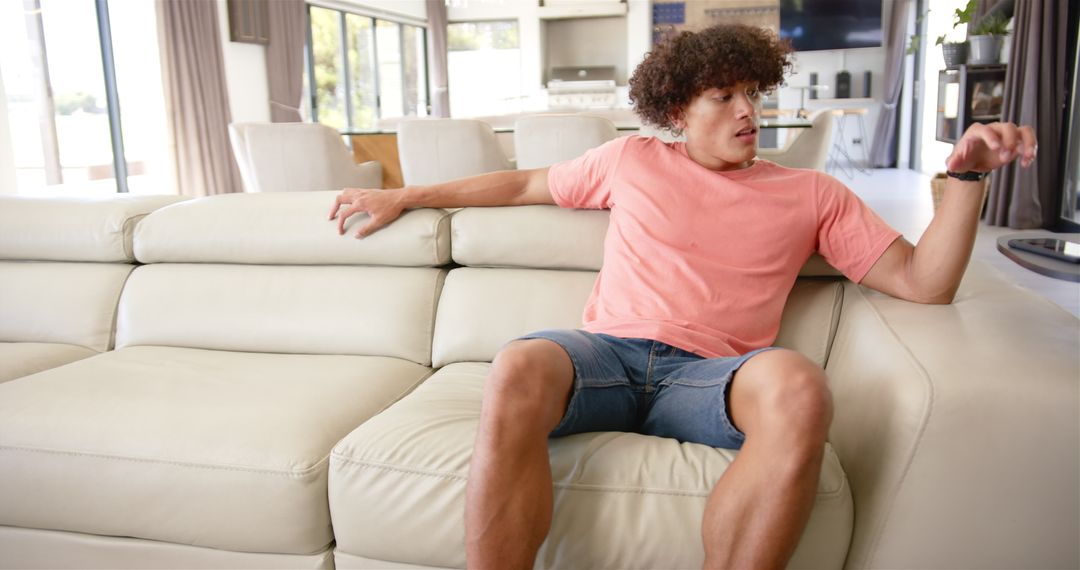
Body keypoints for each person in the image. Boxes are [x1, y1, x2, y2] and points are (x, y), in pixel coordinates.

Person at [328, 24, 1036, 570]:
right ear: (677, 109)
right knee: (517, 363)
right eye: (723, 96)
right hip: (606, 354)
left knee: (798, 384)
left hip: (713, 376)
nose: (747, 111)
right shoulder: (630, 160)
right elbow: (517, 184)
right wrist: (404, 193)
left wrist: (965, 179)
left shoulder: (811, 192)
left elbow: (925, 283)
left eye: (752, 94)